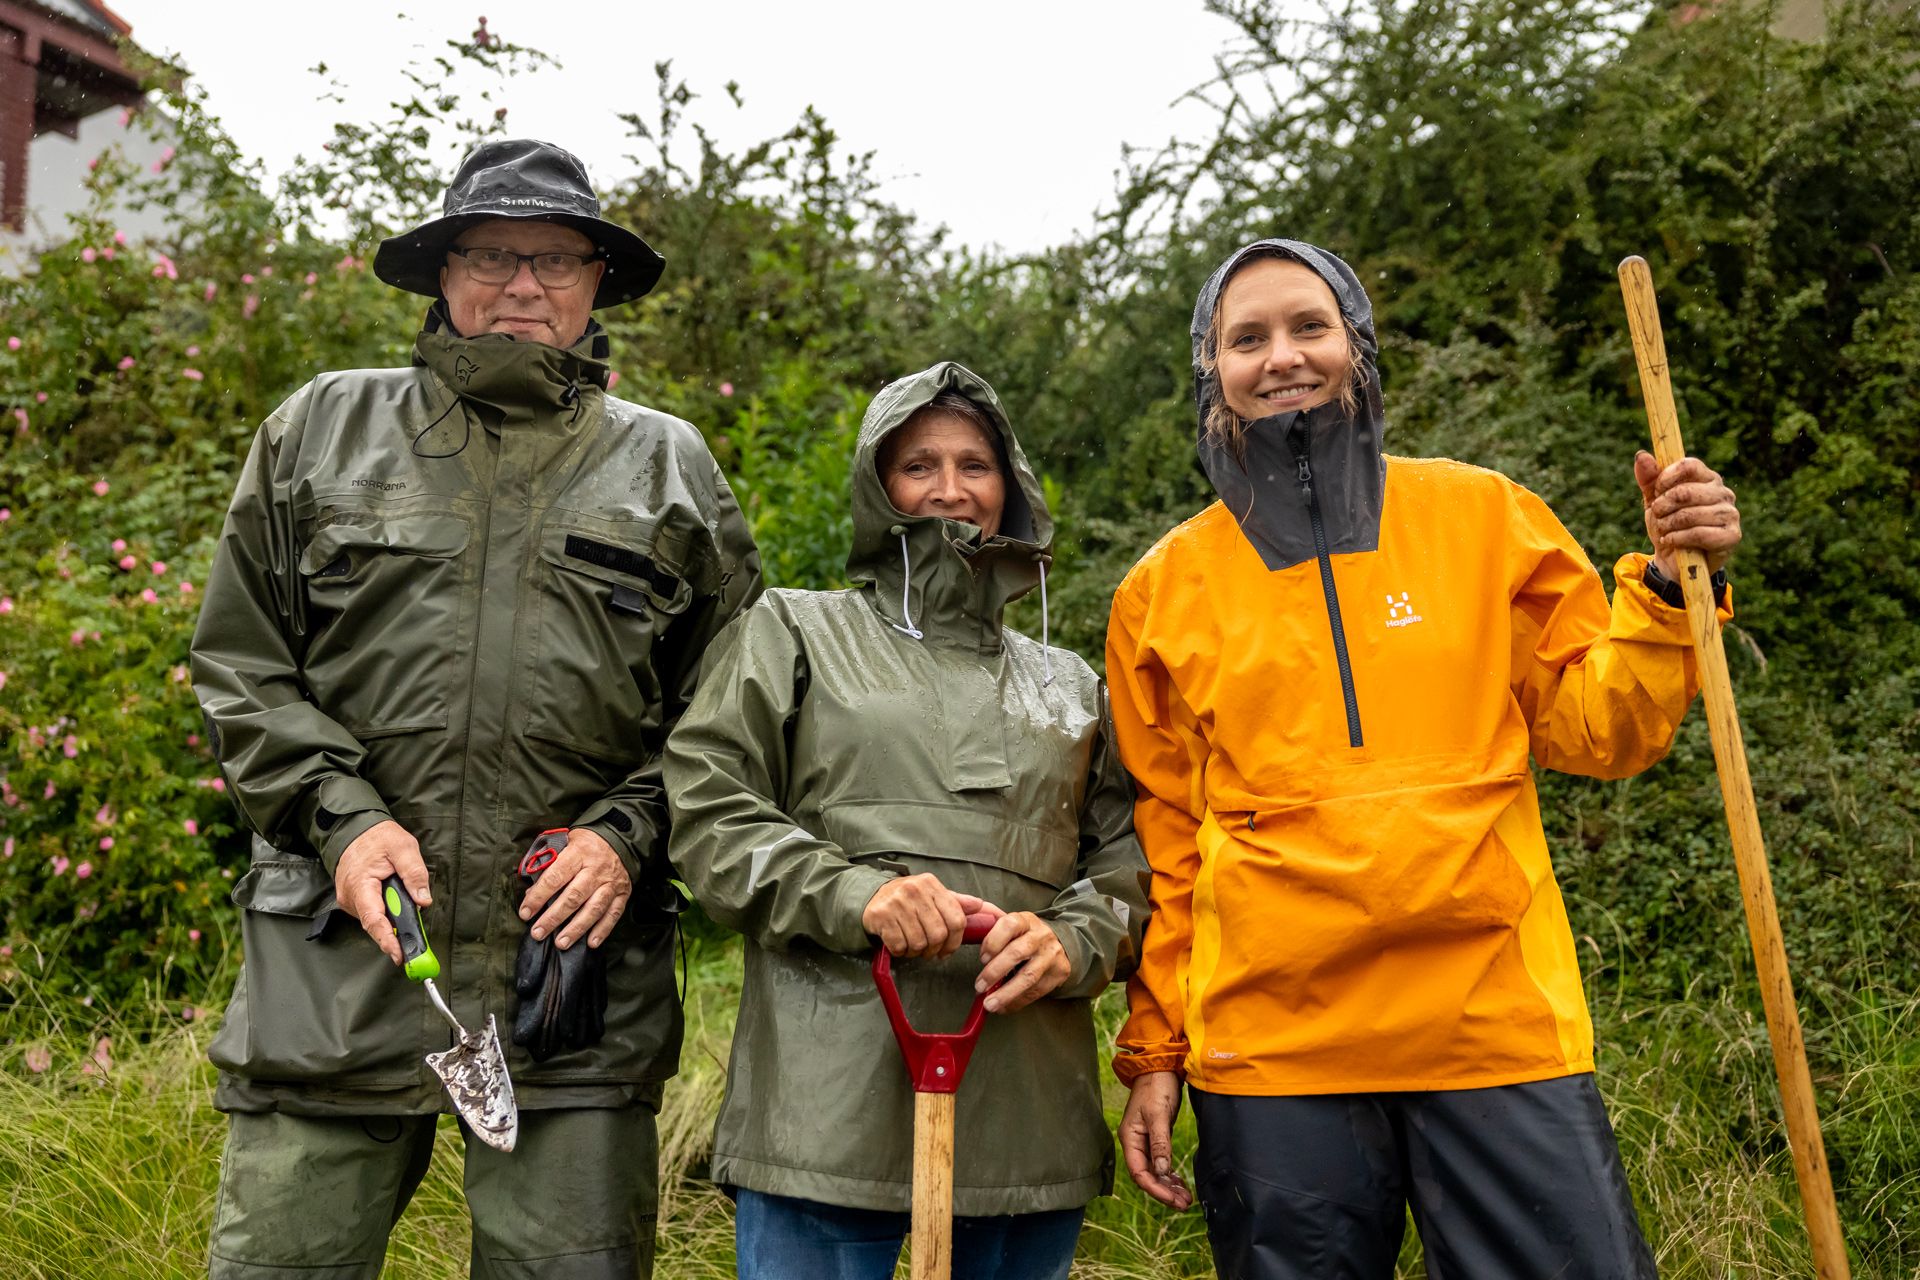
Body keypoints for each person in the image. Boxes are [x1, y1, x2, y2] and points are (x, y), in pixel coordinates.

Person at [1107, 239, 1742, 1279]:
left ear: (1355, 344)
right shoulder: (1162, 590)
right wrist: (1155, 1052)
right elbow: (1167, 845)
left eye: (1309, 326)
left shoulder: (1485, 516)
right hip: (1274, 1051)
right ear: (1209, 369)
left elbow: (1602, 730)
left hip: (1496, 1021)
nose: (1283, 357)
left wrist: (1672, 593)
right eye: (1247, 337)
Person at [191, 138, 760, 1279]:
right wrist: (342, 817)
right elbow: (241, 664)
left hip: (572, 988)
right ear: (443, 271)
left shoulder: (672, 469)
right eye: (492, 252)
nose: (521, 284)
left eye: (555, 258)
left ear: (598, 280)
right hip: (337, 971)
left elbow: (729, 715)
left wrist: (625, 833)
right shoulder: (319, 430)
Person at [664, 361, 1151, 1280]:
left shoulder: (1072, 682)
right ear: (877, 487)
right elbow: (710, 815)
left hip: (1027, 1125)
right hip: (822, 1120)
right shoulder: (792, 632)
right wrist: (860, 895)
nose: (950, 489)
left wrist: (1076, 941)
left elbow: (1130, 864)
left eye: (976, 464)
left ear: (1011, 489)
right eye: (917, 464)